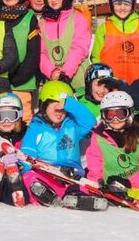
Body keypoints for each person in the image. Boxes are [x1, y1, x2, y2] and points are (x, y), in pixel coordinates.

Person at [20, 81, 101, 210]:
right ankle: (49, 197)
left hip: (72, 174)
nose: (60, 113)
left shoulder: (73, 126)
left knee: (79, 186)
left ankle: (76, 198)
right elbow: (27, 152)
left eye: (63, 110)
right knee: (29, 178)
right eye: (56, 108)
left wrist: (70, 104)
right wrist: (24, 169)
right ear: (44, 105)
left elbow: (90, 122)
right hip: (47, 173)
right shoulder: (36, 127)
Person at [0, 0, 41, 120]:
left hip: (22, 82)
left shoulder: (29, 17)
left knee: (23, 118)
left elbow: (33, 52)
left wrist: (20, 77)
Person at [38, 0, 92, 87]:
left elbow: (79, 48)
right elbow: (40, 52)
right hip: (53, 83)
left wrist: (65, 73)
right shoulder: (42, 23)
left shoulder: (77, 18)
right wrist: (52, 72)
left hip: (78, 82)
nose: (54, 0)